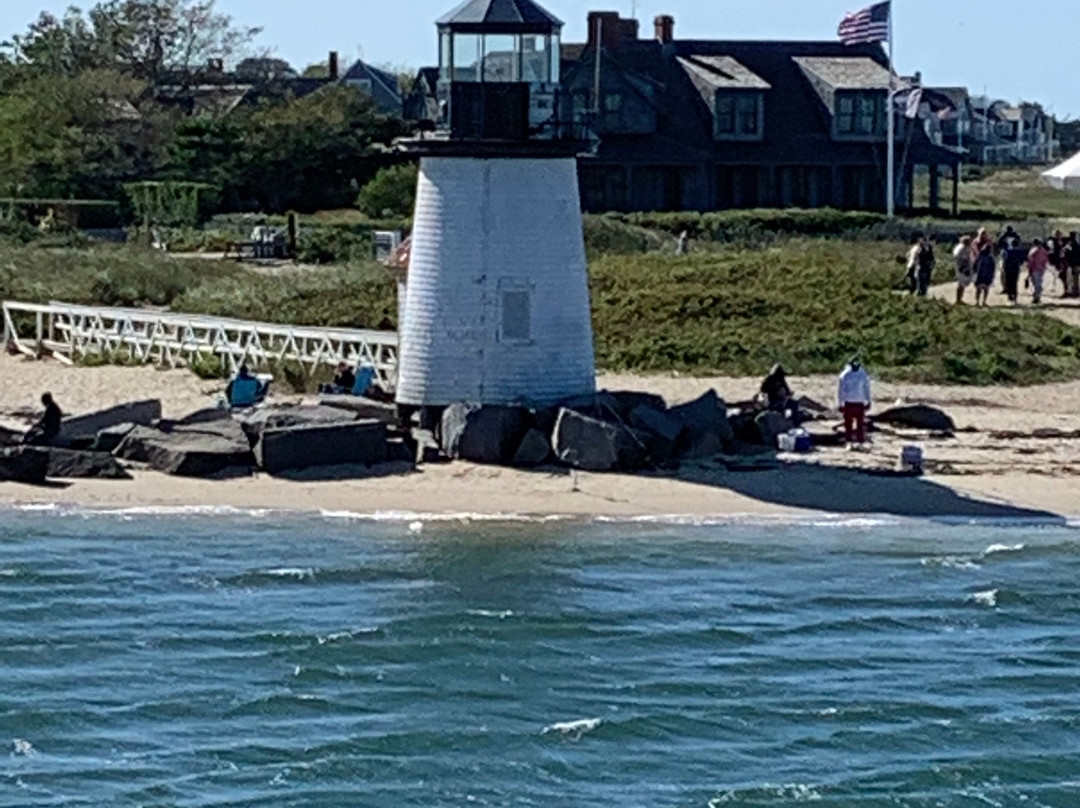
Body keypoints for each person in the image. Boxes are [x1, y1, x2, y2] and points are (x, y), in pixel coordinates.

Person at [838, 358, 872, 448]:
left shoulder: (846, 375)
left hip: (853, 402)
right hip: (854, 402)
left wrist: (841, 403)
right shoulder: (860, 374)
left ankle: (855, 441)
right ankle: (854, 441)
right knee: (854, 424)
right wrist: (868, 401)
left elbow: (841, 391)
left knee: (855, 424)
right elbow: (866, 389)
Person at [1001, 239, 1026, 305]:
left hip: (1008, 268)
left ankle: (1009, 297)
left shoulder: (1007, 251)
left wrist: (1003, 268)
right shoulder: (1019, 251)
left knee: (1008, 283)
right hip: (1015, 268)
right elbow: (1022, 260)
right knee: (1014, 283)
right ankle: (1015, 297)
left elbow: (1004, 260)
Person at [1027, 238, 1050, 305]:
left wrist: (1029, 268)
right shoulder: (1044, 251)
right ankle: (1037, 296)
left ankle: (1037, 297)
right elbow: (1046, 260)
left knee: (1036, 283)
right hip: (1041, 268)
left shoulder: (1033, 250)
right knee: (1038, 282)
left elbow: (1030, 260)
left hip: (1035, 268)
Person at [953, 235, 975, 304]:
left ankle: (960, 299)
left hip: (964, 267)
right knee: (961, 283)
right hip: (962, 268)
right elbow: (958, 257)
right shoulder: (961, 248)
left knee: (962, 284)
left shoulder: (965, 248)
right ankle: (958, 299)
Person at [973, 243, 996, 307]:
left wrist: (974, 272)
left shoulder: (980, 256)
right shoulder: (990, 258)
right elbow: (993, 267)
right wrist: (992, 275)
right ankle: (983, 302)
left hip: (980, 275)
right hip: (986, 275)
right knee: (985, 289)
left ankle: (977, 302)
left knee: (979, 289)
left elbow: (974, 265)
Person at [1063, 233, 1080, 299]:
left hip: (1071, 264)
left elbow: (1066, 254)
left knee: (1071, 278)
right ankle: (1076, 291)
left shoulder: (1069, 245)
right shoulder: (1077, 245)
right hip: (1076, 264)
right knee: (1076, 278)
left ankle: (1072, 291)